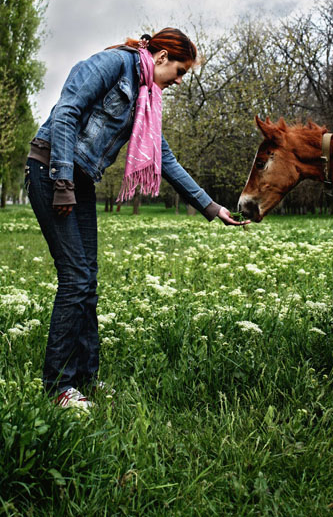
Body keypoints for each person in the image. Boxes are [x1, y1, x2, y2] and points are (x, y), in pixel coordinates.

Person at [25, 28, 248, 409]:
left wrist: (211, 207)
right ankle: (57, 388)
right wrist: (62, 179)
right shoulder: (112, 64)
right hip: (52, 170)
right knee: (76, 279)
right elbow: (66, 112)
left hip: (80, 180)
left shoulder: (146, 98)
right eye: (179, 71)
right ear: (161, 57)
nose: (178, 81)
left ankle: (84, 381)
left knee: (87, 281)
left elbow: (166, 160)